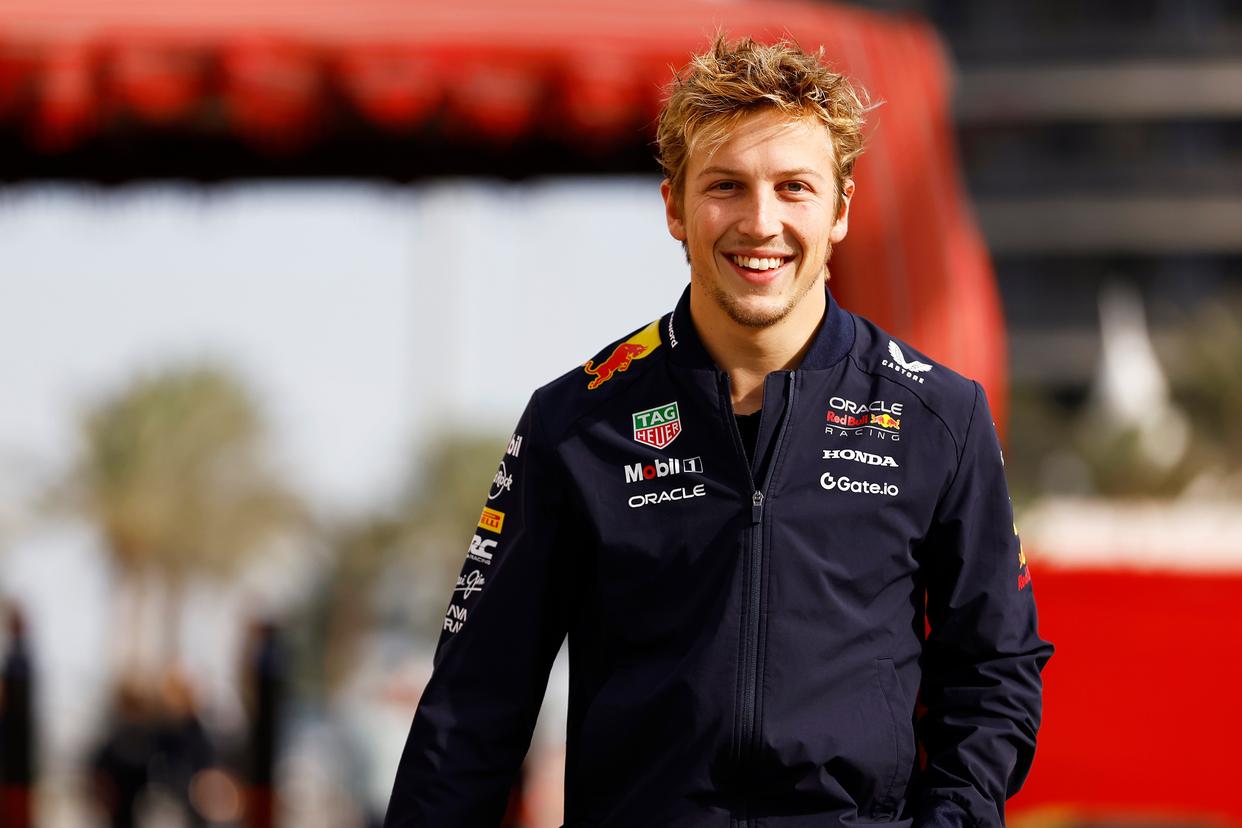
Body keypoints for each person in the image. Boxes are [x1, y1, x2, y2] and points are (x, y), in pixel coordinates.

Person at [385, 35, 1052, 827]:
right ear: (674, 207)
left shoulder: (939, 417)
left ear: (841, 209)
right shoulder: (576, 423)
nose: (760, 223)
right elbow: (474, 701)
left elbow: (995, 671)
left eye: (794, 188)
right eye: (726, 187)